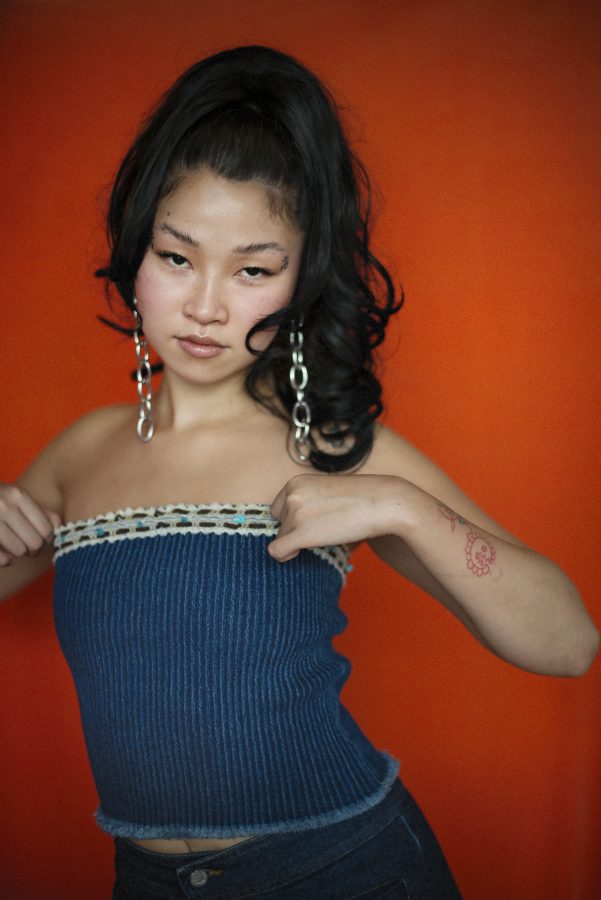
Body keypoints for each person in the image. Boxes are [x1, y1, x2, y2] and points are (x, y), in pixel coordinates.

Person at [0, 45, 597, 900]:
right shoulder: (80, 454)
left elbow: (568, 644)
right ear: (136, 254)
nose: (205, 305)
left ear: (301, 281)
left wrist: (403, 508)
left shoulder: (332, 448)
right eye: (177, 257)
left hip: (341, 870)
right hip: (146, 881)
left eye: (253, 269)